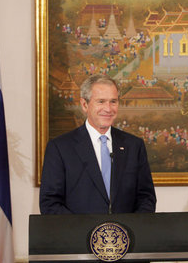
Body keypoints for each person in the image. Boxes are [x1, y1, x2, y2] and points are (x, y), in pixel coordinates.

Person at [40, 74, 156, 214]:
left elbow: (146, 198)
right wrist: (83, 232)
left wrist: (131, 230)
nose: (108, 109)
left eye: (113, 101)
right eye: (101, 101)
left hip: (125, 234)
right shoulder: (60, 148)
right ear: (84, 104)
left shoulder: (134, 146)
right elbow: (50, 203)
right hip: (78, 234)